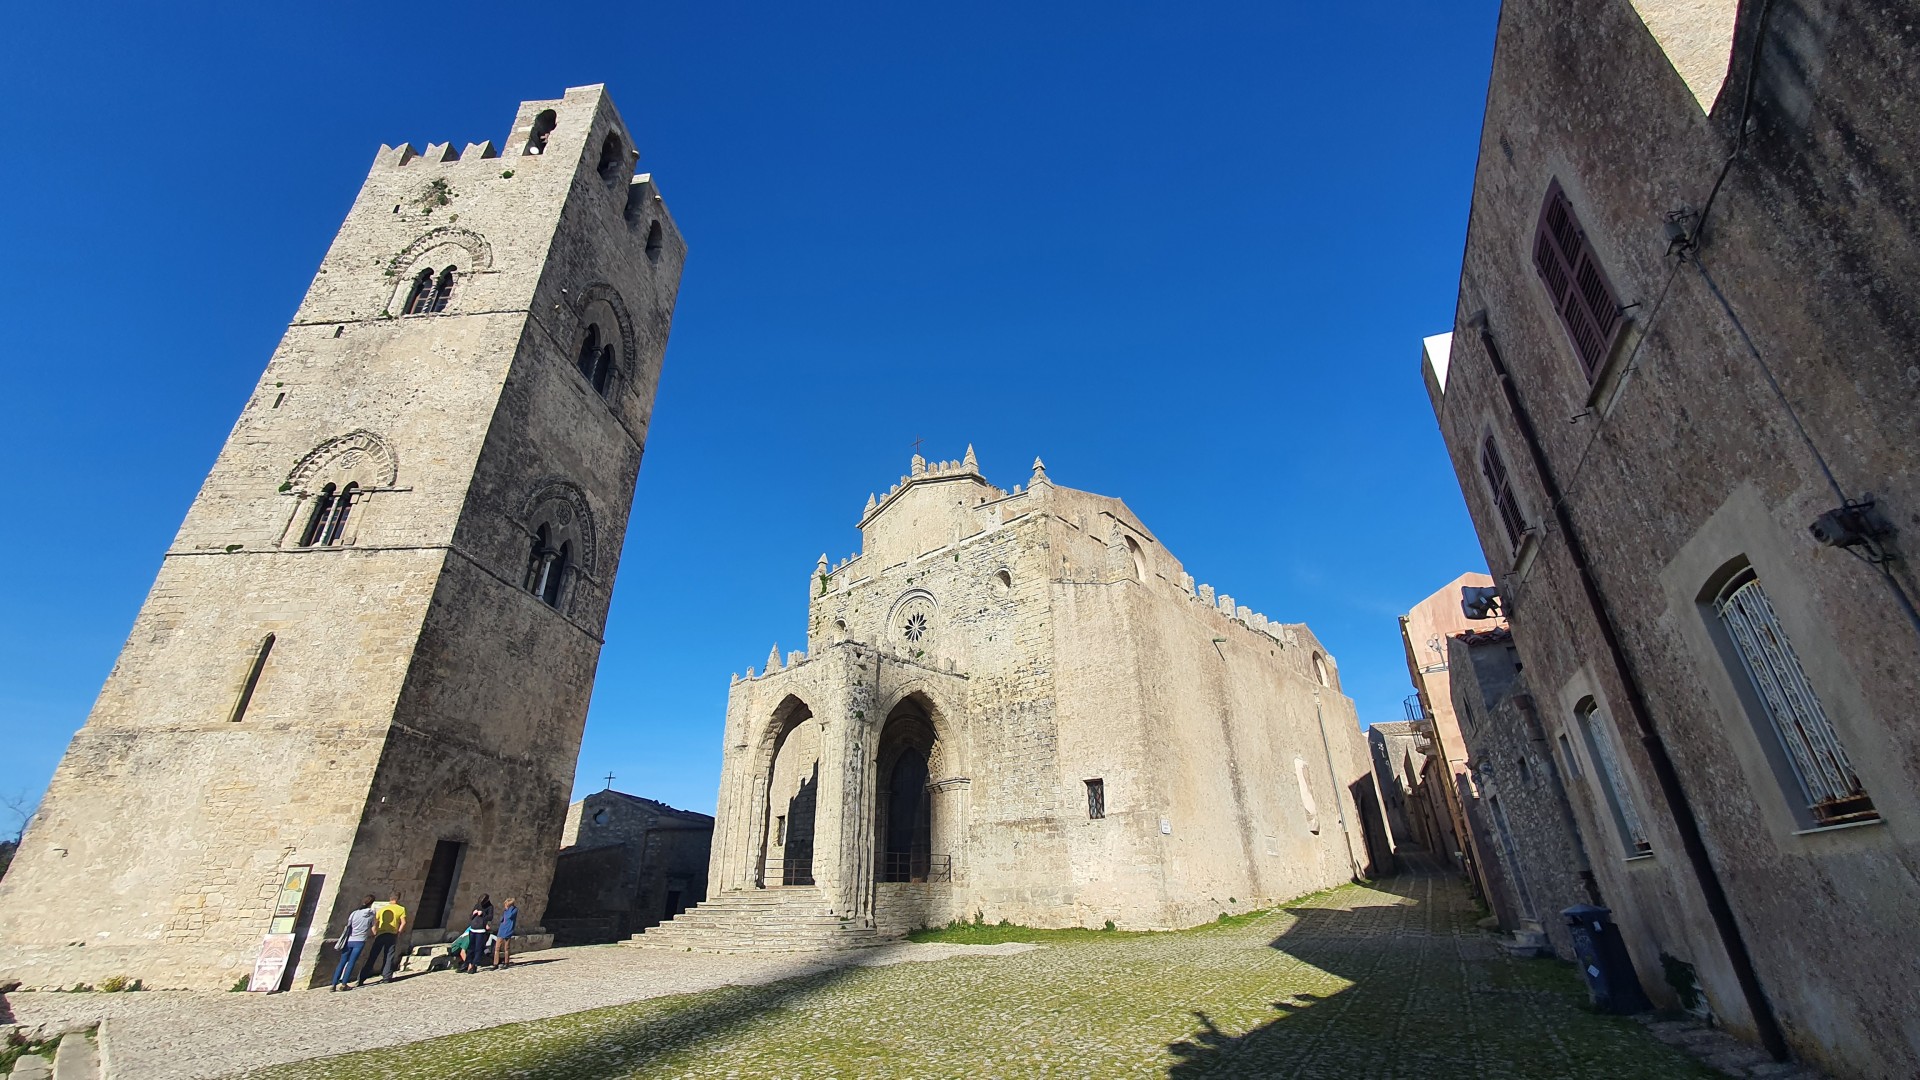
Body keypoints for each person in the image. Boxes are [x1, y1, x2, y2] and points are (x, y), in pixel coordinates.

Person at [358, 892, 408, 985]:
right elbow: (403, 922)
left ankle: (362, 977)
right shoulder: (401, 909)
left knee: (373, 955)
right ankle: (386, 977)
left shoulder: (383, 909)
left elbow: (375, 921)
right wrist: (399, 932)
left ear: (390, 898)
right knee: (389, 956)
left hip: (381, 933)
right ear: (398, 899)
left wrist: (374, 931)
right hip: (392, 934)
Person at [331, 895, 377, 992]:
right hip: (360, 940)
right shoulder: (371, 914)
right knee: (351, 962)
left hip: (349, 940)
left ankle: (333, 984)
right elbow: (374, 930)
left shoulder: (354, 913)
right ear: (372, 903)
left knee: (342, 962)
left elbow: (349, 926)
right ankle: (344, 984)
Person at [458, 903, 491, 974]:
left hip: (481, 931)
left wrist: (482, 914)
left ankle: (473, 965)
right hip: (472, 930)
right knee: (470, 948)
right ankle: (469, 963)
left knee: (478, 949)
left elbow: (490, 917)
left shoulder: (489, 907)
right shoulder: (476, 906)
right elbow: (471, 917)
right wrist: (474, 913)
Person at [492, 897, 519, 970]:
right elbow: (502, 919)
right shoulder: (505, 911)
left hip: (508, 930)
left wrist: (509, 909)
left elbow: (509, 916)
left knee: (506, 948)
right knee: (497, 947)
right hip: (501, 930)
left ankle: (506, 962)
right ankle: (495, 963)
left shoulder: (514, 910)